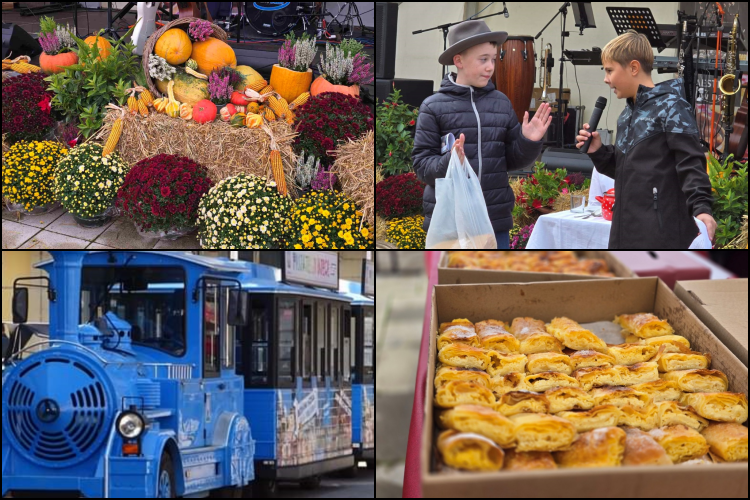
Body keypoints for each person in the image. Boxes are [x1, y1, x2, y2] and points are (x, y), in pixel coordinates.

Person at [412, 20, 552, 249]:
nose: (490, 67)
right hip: (449, 224)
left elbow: (513, 160)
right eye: (483, 59)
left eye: (493, 59)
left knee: (494, 283)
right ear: (458, 60)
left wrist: (529, 140)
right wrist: (451, 161)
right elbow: (422, 166)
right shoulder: (433, 107)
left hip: (494, 221)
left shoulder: (501, 102)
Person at [576, 30, 716, 248]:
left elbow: (691, 164)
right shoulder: (626, 115)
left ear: (633, 68)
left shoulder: (672, 107)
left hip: (662, 234)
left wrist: (702, 209)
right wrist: (599, 151)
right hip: (625, 232)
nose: (606, 79)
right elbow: (629, 170)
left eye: (610, 70)